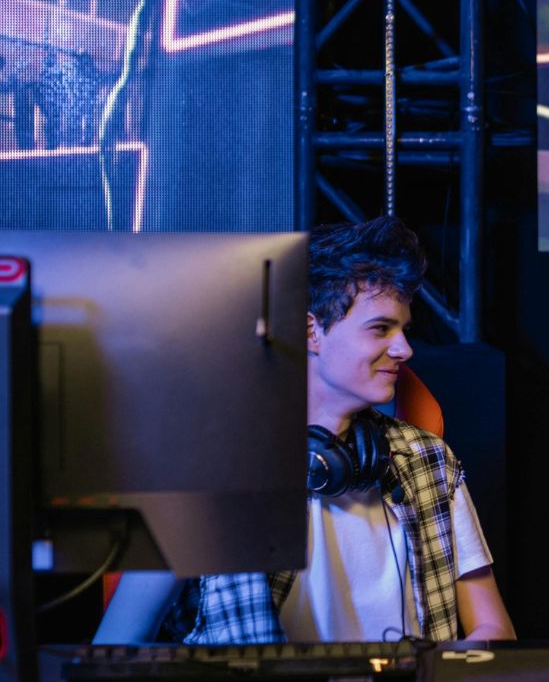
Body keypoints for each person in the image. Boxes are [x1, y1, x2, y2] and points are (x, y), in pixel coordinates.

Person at [102, 217, 515, 644]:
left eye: (404, 329)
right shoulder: (210, 472)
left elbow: (495, 630)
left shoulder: (428, 462)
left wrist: (450, 679)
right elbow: (117, 644)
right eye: (380, 328)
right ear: (310, 331)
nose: (404, 349)